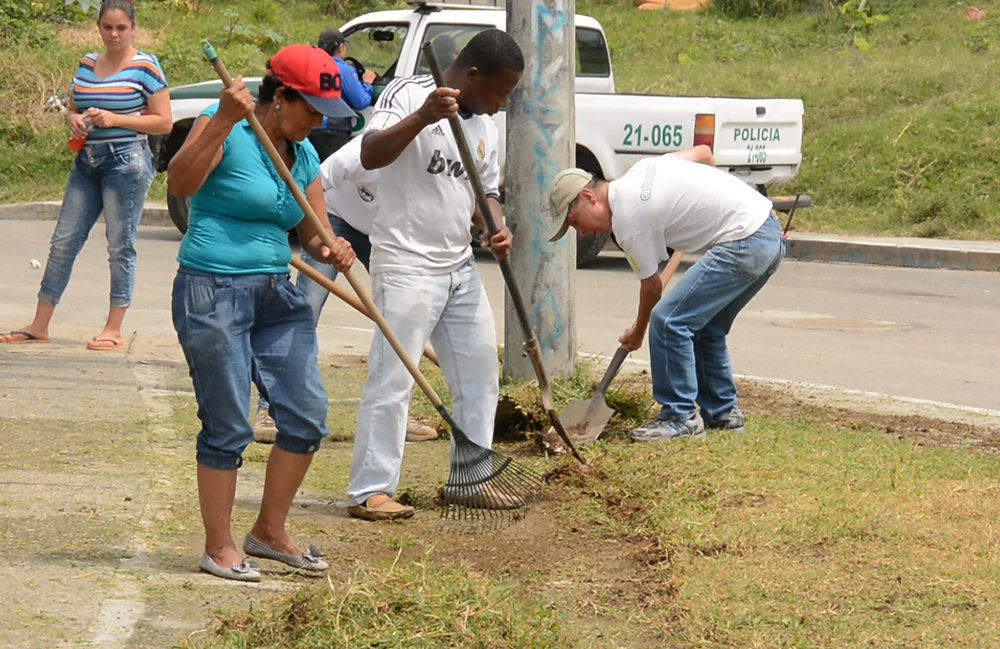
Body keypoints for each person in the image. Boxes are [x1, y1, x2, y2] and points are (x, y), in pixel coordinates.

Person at [166, 44, 357, 582]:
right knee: (228, 421)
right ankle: (219, 546)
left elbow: (315, 235)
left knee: (305, 414)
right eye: (313, 110)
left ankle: (269, 532)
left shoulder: (305, 155)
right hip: (213, 289)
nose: (320, 122)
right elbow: (179, 184)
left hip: (278, 294)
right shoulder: (226, 122)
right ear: (282, 97)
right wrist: (224, 119)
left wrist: (332, 248)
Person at [345, 29, 524, 521]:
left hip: (460, 267)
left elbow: (484, 192)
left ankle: (471, 480)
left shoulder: (485, 126)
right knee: (394, 377)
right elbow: (370, 154)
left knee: (480, 376)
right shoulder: (407, 93)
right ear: (471, 76)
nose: (501, 102)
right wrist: (424, 116)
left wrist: (496, 225)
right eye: (499, 91)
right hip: (405, 264)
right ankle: (371, 489)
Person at [548, 145, 784, 442]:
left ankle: (680, 417)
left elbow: (652, 288)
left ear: (588, 197)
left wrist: (638, 331)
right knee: (705, 327)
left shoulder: (627, 221)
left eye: (574, 222)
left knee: (669, 320)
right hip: (768, 230)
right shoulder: (643, 169)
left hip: (744, 241)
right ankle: (723, 414)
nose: (580, 232)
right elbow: (704, 153)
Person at [1, 0, 170, 349]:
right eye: (108, 27)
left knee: (119, 246)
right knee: (63, 242)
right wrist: (73, 119)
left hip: (126, 163)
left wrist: (116, 119)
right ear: (98, 27)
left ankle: (114, 329)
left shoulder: (146, 66)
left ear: (133, 28)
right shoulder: (87, 63)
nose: (114, 34)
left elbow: (163, 121)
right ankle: (40, 323)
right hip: (87, 161)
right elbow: (74, 106)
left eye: (121, 28)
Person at [292, 136, 440, 443]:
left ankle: (395, 411)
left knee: (405, 314)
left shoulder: (431, 165)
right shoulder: (364, 150)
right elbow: (314, 181)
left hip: (385, 233)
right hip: (334, 220)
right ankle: (274, 407)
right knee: (305, 309)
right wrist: (326, 236)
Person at [309, 27, 376, 161]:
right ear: (341, 47)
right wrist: (367, 83)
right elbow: (361, 101)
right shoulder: (345, 71)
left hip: (309, 126)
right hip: (334, 130)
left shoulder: (310, 65)